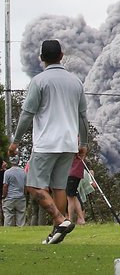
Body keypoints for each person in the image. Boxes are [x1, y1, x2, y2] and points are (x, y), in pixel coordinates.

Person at [7, 39, 88, 244]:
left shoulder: (39, 81)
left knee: (34, 186)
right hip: (68, 143)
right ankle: (56, 233)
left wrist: (16, 141)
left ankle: (61, 220)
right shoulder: (75, 82)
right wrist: (83, 143)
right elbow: (82, 117)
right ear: (61, 55)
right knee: (59, 188)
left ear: (41, 58)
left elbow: (27, 114)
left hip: (46, 143)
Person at [3, 157, 27, 226]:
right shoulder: (23, 172)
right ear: (18, 161)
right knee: (21, 215)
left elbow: (5, 186)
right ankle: (21, 230)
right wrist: (25, 195)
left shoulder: (7, 172)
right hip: (21, 197)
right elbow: (25, 186)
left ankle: (7, 231)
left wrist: (4, 195)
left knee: (8, 215)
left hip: (10, 197)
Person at [65, 152, 86, 225]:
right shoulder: (80, 149)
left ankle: (70, 220)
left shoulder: (74, 149)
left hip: (71, 173)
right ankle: (81, 219)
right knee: (73, 196)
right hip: (77, 173)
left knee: (69, 198)